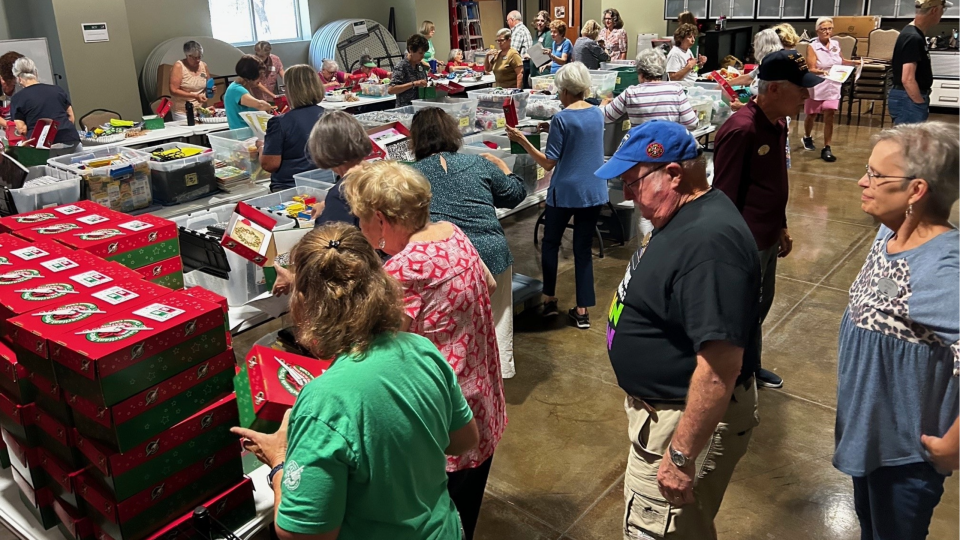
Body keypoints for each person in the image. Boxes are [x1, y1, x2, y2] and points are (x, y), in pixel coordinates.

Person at [232, 223, 480, 540]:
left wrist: (280, 461)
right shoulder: (421, 349)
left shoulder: (323, 400)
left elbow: (304, 535)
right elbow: (463, 440)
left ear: (306, 302)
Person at [597, 120, 761, 540]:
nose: (627, 195)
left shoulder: (710, 246)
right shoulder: (685, 215)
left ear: (673, 173)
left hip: (678, 421)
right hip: (663, 411)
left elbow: (720, 365)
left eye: (632, 182)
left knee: (657, 530)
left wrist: (682, 455)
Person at [342, 161, 505, 540]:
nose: (360, 228)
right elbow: (491, 284)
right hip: (481, 400)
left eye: (360, 219)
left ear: (380, 220)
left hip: (442, 420)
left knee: (435, 519)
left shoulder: (403, 271)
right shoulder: (452, 233)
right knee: (466, 510)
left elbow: (378, 354)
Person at [835, 121, 959, 540]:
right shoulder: (889, 234)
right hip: (872, 438)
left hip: (905, 457)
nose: (861, 181)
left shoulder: (941, 267)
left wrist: (955, 442)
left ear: (916, 190)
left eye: (875, 175)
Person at [712, 50, 823, 390]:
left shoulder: (776, 124)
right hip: (744, 243)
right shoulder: (741, 130)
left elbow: (773, 181)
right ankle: (732, 374)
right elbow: (723, 198)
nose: (807, 95)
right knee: (741, 311)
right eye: (800, 88)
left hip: (767, 235)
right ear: (773, 89)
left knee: (759, 305)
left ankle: (750, 365)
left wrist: (782, 224)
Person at [408, 108, 527, 379]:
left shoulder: (411, 176)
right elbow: (514, 194)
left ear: (414, 140)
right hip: (492, 255)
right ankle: (495, 382)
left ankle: (454, 388)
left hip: (444, 264)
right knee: (496, 326)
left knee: (450, 334)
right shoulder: (480, 164)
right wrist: (506, 170)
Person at [505, 62, 608, 329]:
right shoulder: (597, 113)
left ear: (564, 90)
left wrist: (522, 140)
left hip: (565, 192)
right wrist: (548, 128)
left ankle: (549, 298)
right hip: (595, 190)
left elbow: (549, 163)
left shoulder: (561, 118)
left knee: (550, 242)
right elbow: (580, 137)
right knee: (583, 249)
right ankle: (582, 310)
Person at [260, 65, 325, 192]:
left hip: (291, 188)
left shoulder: (280, 122)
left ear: (291, 91)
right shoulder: (330, 116)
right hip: (326, 182)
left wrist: (260, 147)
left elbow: (270, 165)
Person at [802, 17, 858, 162]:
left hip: (833, 84)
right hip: (818, 84)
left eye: (829, 29)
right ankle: (807, 137)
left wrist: (854, 62)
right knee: (812, 115)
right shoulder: (812, 46)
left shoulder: (835, 44)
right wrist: (822, 72)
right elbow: (811, 68)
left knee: (830, 116)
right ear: (817, 31)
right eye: (823, 29)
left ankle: (827, 147)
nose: (827, 32)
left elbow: (841, 60)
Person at [601, 48, 698, 130]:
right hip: (670, 149)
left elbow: (604, 117)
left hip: (641, 148)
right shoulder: (676, 90)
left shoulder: (630, 93)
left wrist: (603, 103)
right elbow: (691, 123)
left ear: (641, 74)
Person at [311, 111, 373, 228]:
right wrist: (327, 205)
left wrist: (332, 207)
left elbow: (334, 243)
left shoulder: (340, 195)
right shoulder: (379, 173)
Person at [889, 0, 947, 125]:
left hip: (907, 98)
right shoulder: (913, 37)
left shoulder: (914, 34)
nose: (942, 14)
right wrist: (919, 103)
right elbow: (907, 79)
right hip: (908, 99)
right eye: (943, 10)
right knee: (908, 142)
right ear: (934, 10)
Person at [10, 57, 79, 148]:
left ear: (18, 79)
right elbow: (70, 116)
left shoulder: (17, 98)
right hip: (70, 139)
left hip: (42, 146)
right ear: (35, 73)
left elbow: (22, 129)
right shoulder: (57, 90)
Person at [224, 55, 274, 129]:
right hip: (243, 135)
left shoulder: (241, 87)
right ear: (251, 74)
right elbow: (260, 105)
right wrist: (269, 107)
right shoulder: (237, 89)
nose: (261, 79)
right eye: (260, 75)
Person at [169, 41, 209, 121]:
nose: (198, 60)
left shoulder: (203, 65)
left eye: (199, 57)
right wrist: (195, 96)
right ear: (187, 56)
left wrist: (211, 90)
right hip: (183, 111)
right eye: (195, 58)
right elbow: (173, 90)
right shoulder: (179, 66)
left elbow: (208, 84)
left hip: (201, 110)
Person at [389, 35, 429, 107]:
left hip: (420, 107)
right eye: (420, 53)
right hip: (405, 109)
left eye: (424, 53)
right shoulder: (401, 66)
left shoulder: (420, 65)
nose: (422, 56)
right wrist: (414, 83)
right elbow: (391, 89)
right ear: (411, 50)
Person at [506, 10, 532, 87]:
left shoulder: (518, 31)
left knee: (521, 90)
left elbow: (513, 51)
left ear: (511, 20)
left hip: (522, 65)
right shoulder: (523, 28)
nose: (507, 23)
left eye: (507, 21)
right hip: (526, 64)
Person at [532, 11, 554, 76]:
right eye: (538, 20)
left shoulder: (548, 34)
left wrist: (531, 55)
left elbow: (546, 54)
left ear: (546, 22)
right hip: (534, 72)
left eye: (542, 21)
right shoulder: (537, 33)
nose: (539, 23)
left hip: (543, 73)